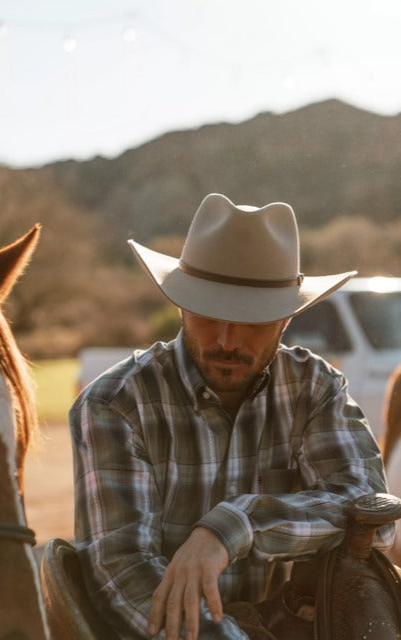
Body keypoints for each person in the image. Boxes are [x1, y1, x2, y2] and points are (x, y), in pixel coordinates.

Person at [70, 193, 393, 640]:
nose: (225, 340)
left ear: (286, 320)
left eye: (252, 321)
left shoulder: (313, 387)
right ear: (181, 305)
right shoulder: (116, 404)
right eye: (208, 315)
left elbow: (372, 518)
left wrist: (236, 525)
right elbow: (123, 575)